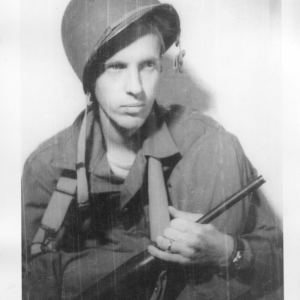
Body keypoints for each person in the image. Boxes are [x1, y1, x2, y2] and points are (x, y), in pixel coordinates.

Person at [22, 0, 283, 299]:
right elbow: (30, 277)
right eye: (116, 66)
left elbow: (281, 259)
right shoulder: (48, 169)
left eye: (147, 65)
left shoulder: (210, 148)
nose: (136, 87)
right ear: (89, 80)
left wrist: (228, 251)